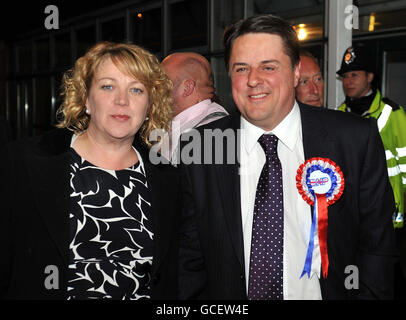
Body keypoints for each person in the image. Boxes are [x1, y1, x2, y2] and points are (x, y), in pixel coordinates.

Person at [178, 14, 397, 300]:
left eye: (268, 67)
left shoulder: (354, 139)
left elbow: (376, 249)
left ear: (295, 72)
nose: (253, 80)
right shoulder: (201, 149)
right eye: (241, 68)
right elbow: (190, 261)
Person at [0, 41, 181, 299]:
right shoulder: (23, 163)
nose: (122, 101)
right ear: (86, 98)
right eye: (108, 86)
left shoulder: (170, 180)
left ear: (150, 105)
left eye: (137, 90)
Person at [337, 45, 406, 229]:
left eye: (354, 75)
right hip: (352, 217)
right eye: (345, 76)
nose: (348, 81)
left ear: (369, 77)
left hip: (388, 215)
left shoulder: (392, 113)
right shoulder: (339, 114)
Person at [160, 52, 228, 162]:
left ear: (187, 88)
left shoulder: (212, 134)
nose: (154, 91)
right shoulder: (194, 126)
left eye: (162, 84)